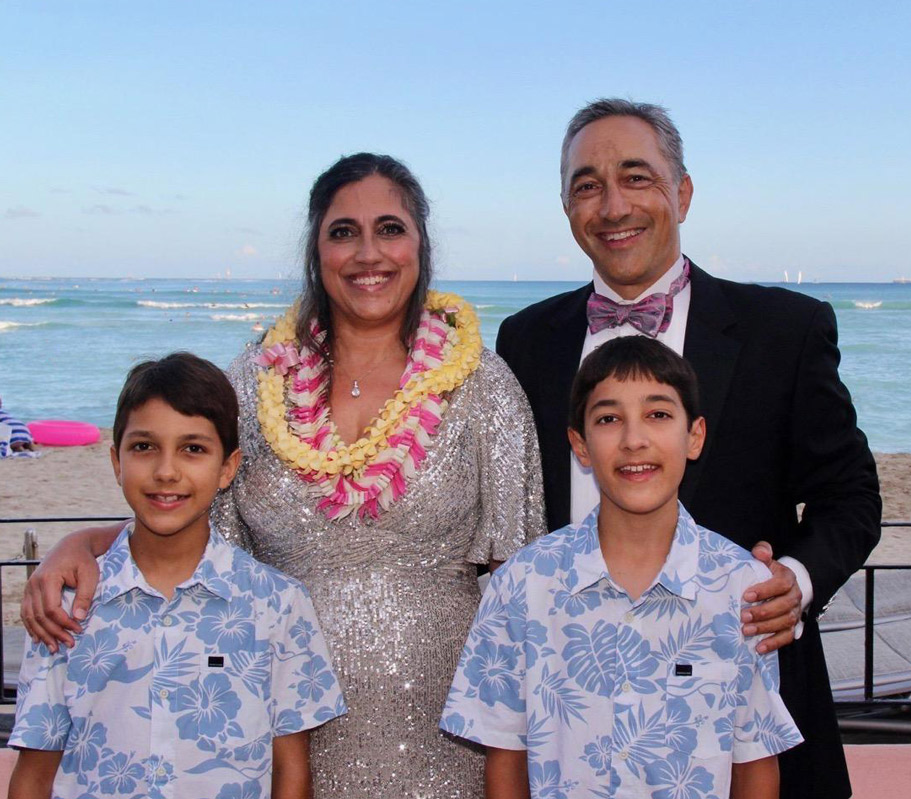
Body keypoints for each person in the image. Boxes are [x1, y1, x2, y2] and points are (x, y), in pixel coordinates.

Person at [21, 154, 546, 797]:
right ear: (315, 249)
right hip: (267, 741)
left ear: (420, 245)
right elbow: (187, 529)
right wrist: (83, 545)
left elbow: (525, 594)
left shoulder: (481, 385)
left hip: (450, 740)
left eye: (390, 228)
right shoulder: (252, 381)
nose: (368, 253)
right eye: (342, 232)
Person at [495, 99, 881, 798]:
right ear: (566, 206)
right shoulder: (525, 340)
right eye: (587, 185)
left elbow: (850, 496)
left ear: (684, 192)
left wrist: (794, 579)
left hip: (742, 714)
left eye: (637, 177)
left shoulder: (783, 330)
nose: (613, 206)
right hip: (573, 724)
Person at [441, 337, 801, 799]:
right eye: (609, 419)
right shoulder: (523, 583)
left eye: (659, 415)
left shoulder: (742, 587)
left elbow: (754, 757)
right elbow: (506, 757)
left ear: (695, 436)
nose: (634, 440)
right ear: (580, 444)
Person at [7, 353, 346, 799]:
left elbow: (291, 770)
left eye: (193, 449)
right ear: (116, 462)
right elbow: (34, 771)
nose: (166, 471)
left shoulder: (277, 603)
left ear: (227, 468)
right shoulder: (66, 606)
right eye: (144, 447)